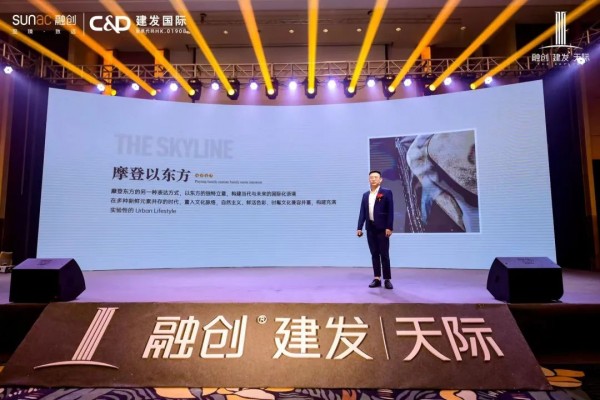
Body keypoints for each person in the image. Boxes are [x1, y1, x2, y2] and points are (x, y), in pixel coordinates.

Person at [357, 170, 394, 289]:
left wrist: (389, 227)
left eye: (375, 177)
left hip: (383, 228)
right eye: (371, 177)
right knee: (374, 253)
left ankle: (387, 279)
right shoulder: (365, 195)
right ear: (369, 180)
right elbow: (362, 212)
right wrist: (359, 227)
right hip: (370, 228)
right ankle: (377, 278)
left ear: (380, 180)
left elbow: (390, 211)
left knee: (384, 254)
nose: (373, 179)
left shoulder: (386, 193)